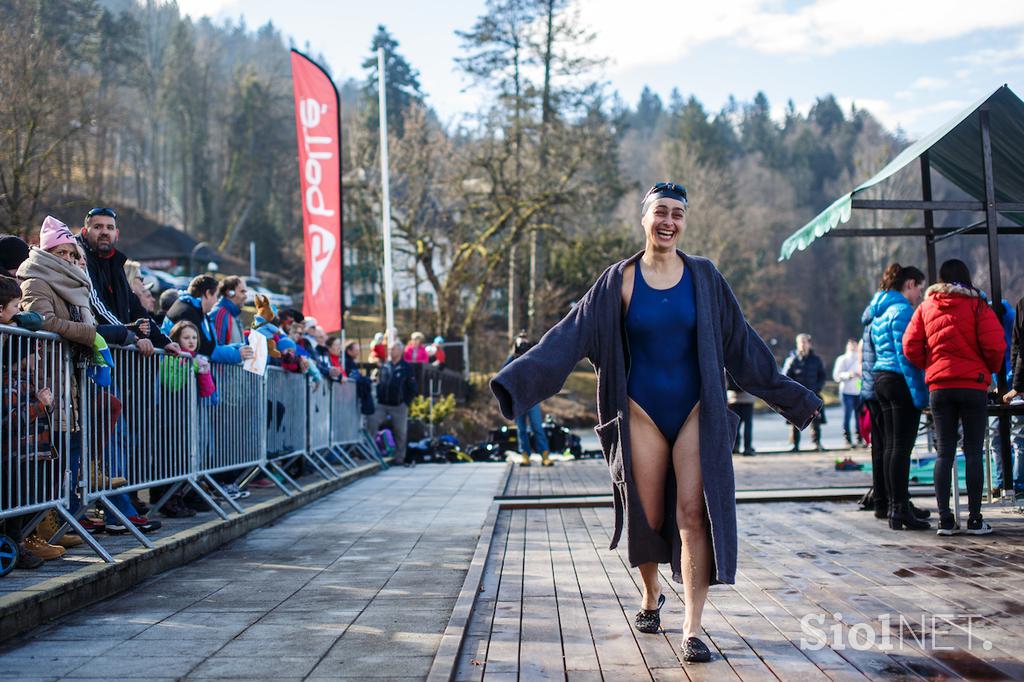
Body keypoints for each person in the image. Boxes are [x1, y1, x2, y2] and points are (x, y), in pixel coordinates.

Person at [490, 182, 821, 663]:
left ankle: (692, 628)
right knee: (647, 517)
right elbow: (568, 337)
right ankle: (650, 596)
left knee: (693, 513)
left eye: (678, 214)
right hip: (639, 409)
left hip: (693, 409)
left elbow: (743, 347)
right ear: (644, 218)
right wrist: (515, 384)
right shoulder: (617, 280)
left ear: (684, 222)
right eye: (661, 212)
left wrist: (796, 400)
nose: (669, 221)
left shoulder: (705, 278)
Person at [19, 216, 160, 535]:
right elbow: (45, 322)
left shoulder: (75, 283)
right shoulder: (36, 279)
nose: (69, 260)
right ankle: (42, 527)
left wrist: (95, 334)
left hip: (75, 380)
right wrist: (92, 333)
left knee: (77, 446)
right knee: (54, 458)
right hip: (50, 377)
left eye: (71, 254)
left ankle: (64, 519)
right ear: (48, 253)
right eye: (61, 254)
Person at [904, 260, 1005, 535]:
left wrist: (931, 365)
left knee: (944, 452)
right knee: (973, 452)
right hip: (973, 385)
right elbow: (996, 345)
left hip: (940, 388)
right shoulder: (977, 306)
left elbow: (909, 345)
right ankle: (974, 519)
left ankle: (946, 520)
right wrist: (988, 370)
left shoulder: (926, 307)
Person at [868, 262, 930, 531]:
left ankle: (896, 506)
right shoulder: (902, 310)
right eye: (919, 289)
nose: (920, 295)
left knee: (891, 447)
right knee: (902, 448)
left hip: (880, 378)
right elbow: (907, 356)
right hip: (898, 380)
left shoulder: (879, 311)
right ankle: (900, 509)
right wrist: (919, 394)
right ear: (909, 285)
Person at [76, 207, 180, 356]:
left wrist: (164, 341)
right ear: (85, 232)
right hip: (92, 354)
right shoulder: (81, 259)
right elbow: (97, 305)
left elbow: (135, 307)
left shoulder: (116, 264)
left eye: (109, 227)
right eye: (98, 227)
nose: (104, 232)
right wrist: (131, 336)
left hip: (117, 353)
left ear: (116, 234)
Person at [166, 275, 252, 365]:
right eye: (215, 296)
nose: (216, 301)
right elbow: (205, 348)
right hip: (176, 371)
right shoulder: (186, 311)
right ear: (207, 293)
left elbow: (214, 345)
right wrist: (237, 354)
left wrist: (239, 347)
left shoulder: (201, 313)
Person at [504, 336, 553, 467]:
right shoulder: (512, 359)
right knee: (521, 429)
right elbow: (503, 374)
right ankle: (525, 455)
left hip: (532, 399)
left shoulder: (533, 357)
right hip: (517, 400)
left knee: (537, 427)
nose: (523, 345)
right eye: (521, 343)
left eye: (526, 342)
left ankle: (545, 455)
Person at [369, 342, 417, 466]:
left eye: (393, 349)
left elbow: (413, 387)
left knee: (400, 432)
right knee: (372, 423)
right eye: (390, 349)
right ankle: (371, 454)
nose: (391, 351)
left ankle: (399, 458)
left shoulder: (407, 367)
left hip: (399, 405)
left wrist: (406, 402)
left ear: (400, 351)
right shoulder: (385, 366)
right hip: (382, 404)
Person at [781, 334, 826, 451]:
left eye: (804, 342)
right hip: (797, 396)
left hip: (813, 394)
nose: (802, 344)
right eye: (800, 342)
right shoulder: (792, 360)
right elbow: (785, 377)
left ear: (809, 343)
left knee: (815, 421)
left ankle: (817, 443)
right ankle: (794, 445)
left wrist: (817, 389)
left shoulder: (816, 360)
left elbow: (822, 377)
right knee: (794, 421)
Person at [833, 338, 863, 448]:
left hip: (859, 391)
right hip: (846, 391)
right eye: (850, 345)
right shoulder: (842, 359)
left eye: (854, 345)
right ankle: (847, 438)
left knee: (859, 416)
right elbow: (836, 376)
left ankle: (859, 437)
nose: (853, 347)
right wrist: (847, 375)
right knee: (847, 416)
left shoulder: (861, 358)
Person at [211, 276, 247, 346]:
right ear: (230, 293)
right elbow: (218, 349)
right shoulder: (220, 314)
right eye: (242, 291)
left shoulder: (233, 314)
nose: (245, 296)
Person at [726, 374, 755, 456]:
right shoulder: (748, 364)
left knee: (735, 424)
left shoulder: (728, 363)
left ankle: (735, 446)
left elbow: (724, 381)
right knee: (748, 425)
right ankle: (747, 448)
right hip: (748, 398)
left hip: (733, 398)